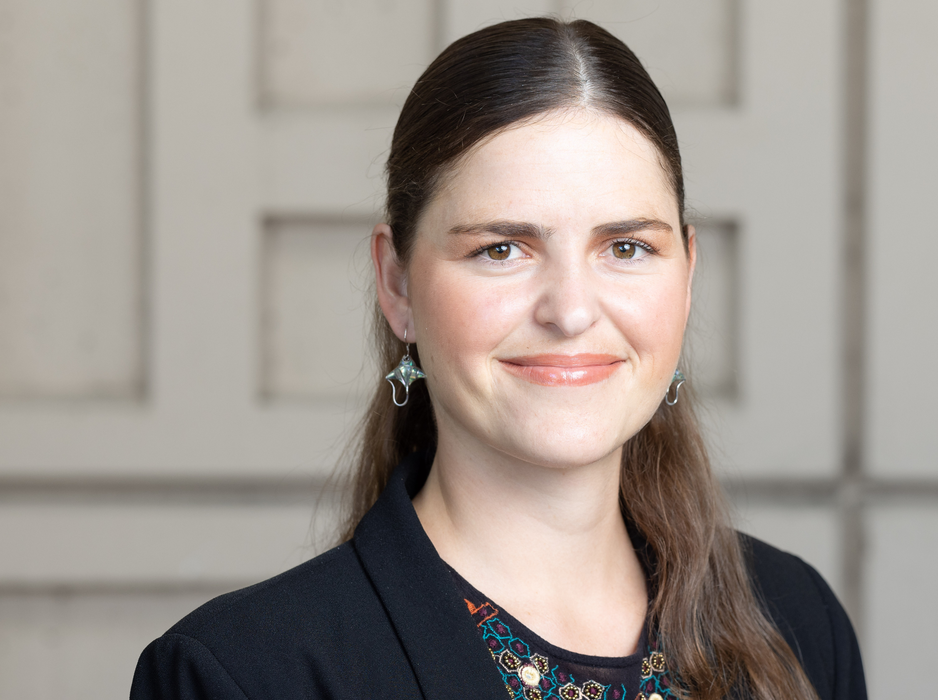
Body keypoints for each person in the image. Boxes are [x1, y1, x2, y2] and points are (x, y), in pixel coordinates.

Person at [131, 17, 866, 700]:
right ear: (396, 284)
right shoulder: (246, 673)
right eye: (502, 249)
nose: (571, 310)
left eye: (626, 247)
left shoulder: (797, 621)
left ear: (686, 273)